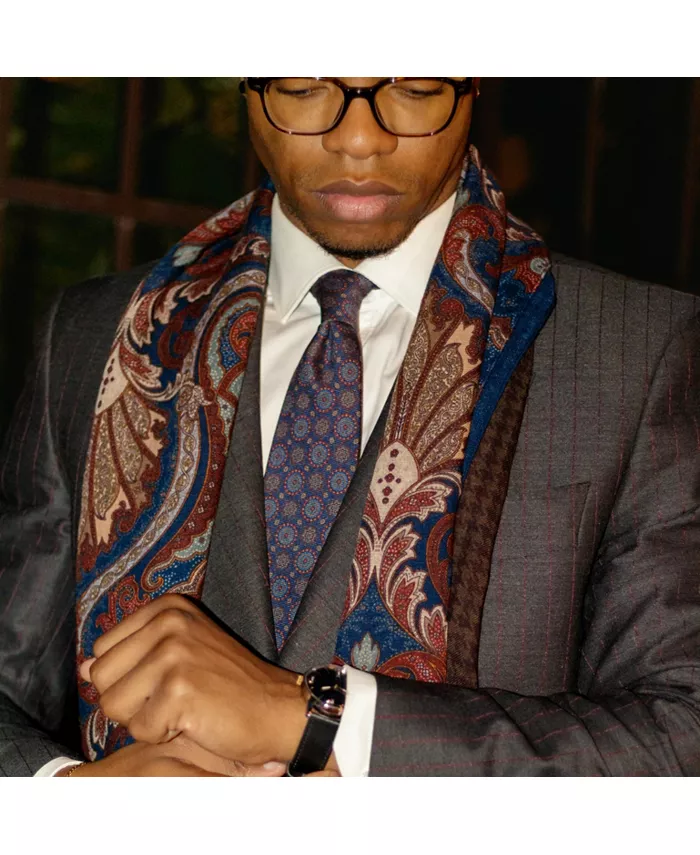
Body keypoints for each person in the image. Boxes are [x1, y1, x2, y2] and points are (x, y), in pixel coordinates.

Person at [0, 76, 698, 777]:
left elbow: (681, 738)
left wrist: (316, 720)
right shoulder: (90, 339)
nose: (360, 140)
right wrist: (63, 794)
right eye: (303, 85)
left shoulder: (639, 351)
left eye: (415, 87)